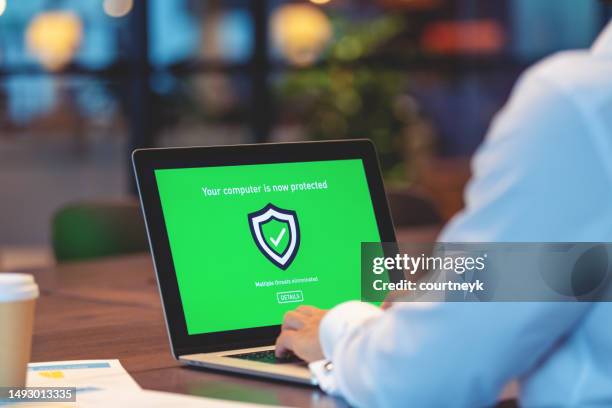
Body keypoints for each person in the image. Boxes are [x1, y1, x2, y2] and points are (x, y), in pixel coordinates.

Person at [275, 18, 612, 407]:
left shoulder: (580, 101)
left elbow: (419, 381)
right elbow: (568, 270)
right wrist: (440, 304)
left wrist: (338, 326)